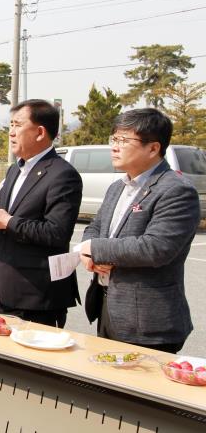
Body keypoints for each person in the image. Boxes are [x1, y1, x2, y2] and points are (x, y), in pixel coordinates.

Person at [79, 109, 200, 354]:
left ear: (153, 148)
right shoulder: (118, 186)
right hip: (109, 305)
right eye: (114, 139)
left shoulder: (176, 190)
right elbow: (95, 227)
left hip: (148, 321)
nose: (114, 147)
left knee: (137, 389)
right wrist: (88, 252)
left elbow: (155, 248)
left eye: (124, 140)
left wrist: (95, 249)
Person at [0, 99, 81, 328]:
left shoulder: (62, 175)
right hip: (9, 283)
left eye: (17, 125)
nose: (11, 133)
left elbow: (56, 233)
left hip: (38, 292)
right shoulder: (16, 168)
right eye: (10, 125)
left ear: (40, 132)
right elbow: (0, 210)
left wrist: (8, 221)